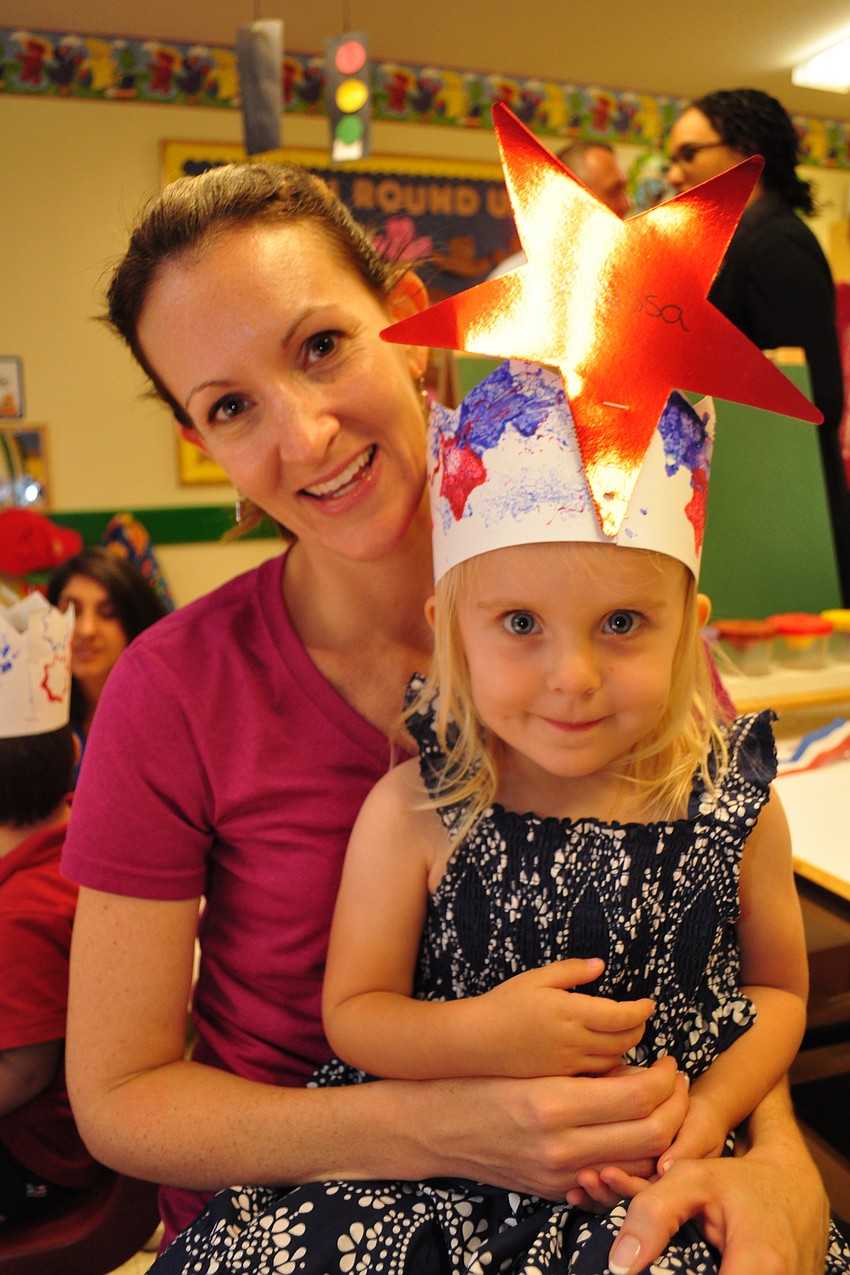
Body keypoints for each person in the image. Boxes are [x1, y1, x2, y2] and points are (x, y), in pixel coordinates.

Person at [60, 156, 833, 1274]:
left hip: (636, 1175)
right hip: (317, 1212)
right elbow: (121, 1098)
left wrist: (775, 1166)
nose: (308, 434)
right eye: (230, 407)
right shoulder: (174, 688)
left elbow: (728, 974)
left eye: (321, 345)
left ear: (408, 321)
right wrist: (449, 1128)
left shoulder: (629, 605)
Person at [667, 87, 850, 605]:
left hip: (787, 518)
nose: (674, 173)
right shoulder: (742, 243)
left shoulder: (775, 246)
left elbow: (809, 400)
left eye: (687, 154)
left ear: (745, 150)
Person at [0, 593, 100, 1226]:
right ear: (71, 753)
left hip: (35, 1158)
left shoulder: (19, 911)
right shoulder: (80, 852)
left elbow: (25, 1070)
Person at [46, 546, 169, 778]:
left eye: (108, 613)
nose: (86, 630)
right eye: (72, 611)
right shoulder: (35, 720)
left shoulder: (165, 718)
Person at [488, 139, 631, 278]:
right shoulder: (516, 283)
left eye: (625, 190)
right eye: (613, 192)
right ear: (572, 199)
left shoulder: (632, 269)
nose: (627, 204)